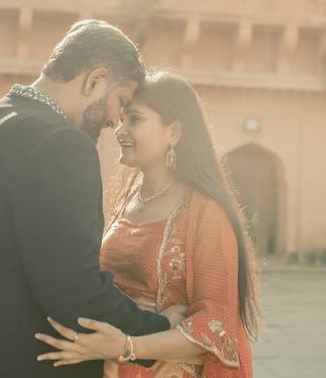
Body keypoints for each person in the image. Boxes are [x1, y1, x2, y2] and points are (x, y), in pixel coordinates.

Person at [0, 20, 174, 378]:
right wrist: (159, 333)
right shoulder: (61, 143)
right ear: (95, 80)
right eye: (121, 101)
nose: (116, 121)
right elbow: (74, 292)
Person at [35, 71, 258, 378]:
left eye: (135, 119)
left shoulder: (206, 211)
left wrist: (128, 346)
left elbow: (216, 327)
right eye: (122, 118)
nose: (120, 129)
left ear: (174, 132)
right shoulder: (125, 196)